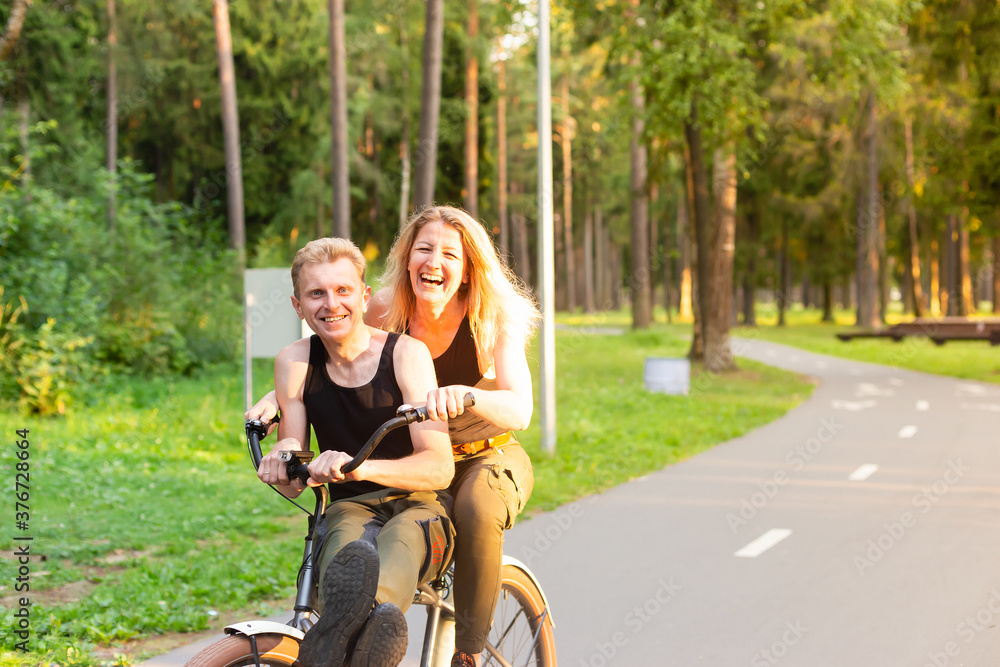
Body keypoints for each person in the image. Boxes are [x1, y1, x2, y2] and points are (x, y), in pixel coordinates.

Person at [251, 206, 540, 667]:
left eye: (450, 254)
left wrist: (467, 395)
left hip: (480, 451)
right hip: (408, 458)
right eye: (424, 249)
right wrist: (280, 400)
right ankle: (359, 628)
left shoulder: (491, 318)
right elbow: (340, 347)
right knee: (355, 542)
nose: (434, 261)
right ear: (407, 258)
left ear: (468, 269)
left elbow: (520, 410)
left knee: (476, 510)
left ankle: (467, 650)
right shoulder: (382, 307)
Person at [257, 237, 455, 667]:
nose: (332, 304)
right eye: (317, 293)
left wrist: (357, 468)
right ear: (297, 306)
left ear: (364, 297)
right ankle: (355, 635)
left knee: (402, 542)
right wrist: (283, 458)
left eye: (343, 290)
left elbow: (440, 467)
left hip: (419, 504)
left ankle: (356, 632)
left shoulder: (405, 354)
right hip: (350, 507)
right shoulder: (295, 362)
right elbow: (294, 473)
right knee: (347, 555)